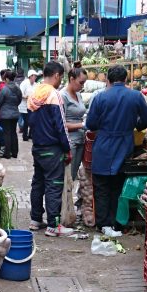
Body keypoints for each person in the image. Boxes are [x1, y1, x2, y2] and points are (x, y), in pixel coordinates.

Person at [85, 64, 147, 238]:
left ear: (108, 80)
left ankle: (103, 224)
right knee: (117, 186)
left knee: (101, 187)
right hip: (125, 144)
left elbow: (91, 124)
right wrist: (134, 125)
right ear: (126, 79)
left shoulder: (100, 97)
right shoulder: (136, 96)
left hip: (104, 144)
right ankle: (115, 224)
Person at [28, 61, 84, 238]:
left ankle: (35, 219)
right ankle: (53, 225)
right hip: (52, 148)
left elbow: (29, 122)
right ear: (57, 75)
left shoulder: (34, 93)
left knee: (38, 183)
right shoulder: (54, 95)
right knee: (54, 185)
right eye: (60, 77)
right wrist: (67, 148)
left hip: (37, 147)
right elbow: (61, 126)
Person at [60, 66, 89, 219]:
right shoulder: (62, 96)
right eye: (80, 82)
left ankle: (69, 210)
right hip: (69, 142)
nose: (82, 86)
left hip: (80, 140)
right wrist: (81, 125)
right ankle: (63, 212)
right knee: (67, 177)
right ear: (71, 79)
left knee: (73, 177)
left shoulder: (78, 94)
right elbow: (61, 124)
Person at [0, 70, 22, 159]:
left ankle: (7, 153)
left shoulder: (5, 89)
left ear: (6, 79)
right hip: (15, 113)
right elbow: (19, 99)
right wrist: (14, 106)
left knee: (7, 133)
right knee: (13, 132)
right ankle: (15, 153)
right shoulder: (18, 88)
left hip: (6, 115)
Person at [19, 71, 37, 140]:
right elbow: (20, 94)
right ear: (30, 76)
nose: (35, 77)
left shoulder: (35, 84)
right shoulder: (24, 83)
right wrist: (27, 97)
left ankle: (30, 134)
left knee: (32, 120)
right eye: (34, 76)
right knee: (26, 121)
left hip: (32, 105)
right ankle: (25, 136)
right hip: (24, 105)